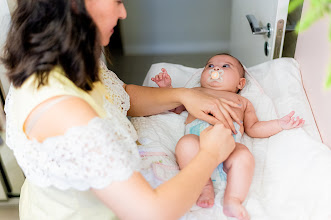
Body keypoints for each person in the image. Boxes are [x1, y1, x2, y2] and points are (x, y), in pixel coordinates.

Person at [0, 1, 244, 220]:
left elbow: (119, 97)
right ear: (76, 5)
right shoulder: (63, 111)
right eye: (116, 1)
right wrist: (210, 154)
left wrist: (182, 94)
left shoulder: (66, 59)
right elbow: (151, 212)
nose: (123, 12)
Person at [151, 53, 305, 220]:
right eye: (210, 66)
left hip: (229, 145)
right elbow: (176, 108)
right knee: (185, 144)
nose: (216, 68)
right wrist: (167, 88)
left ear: (240, 83)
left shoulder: (243, 102)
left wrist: (279, 124)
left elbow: (253, 128)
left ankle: (233, 199)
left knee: (244, 155)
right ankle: (204, 186)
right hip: (198, 142)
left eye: (225, 66)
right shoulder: (194, 93)